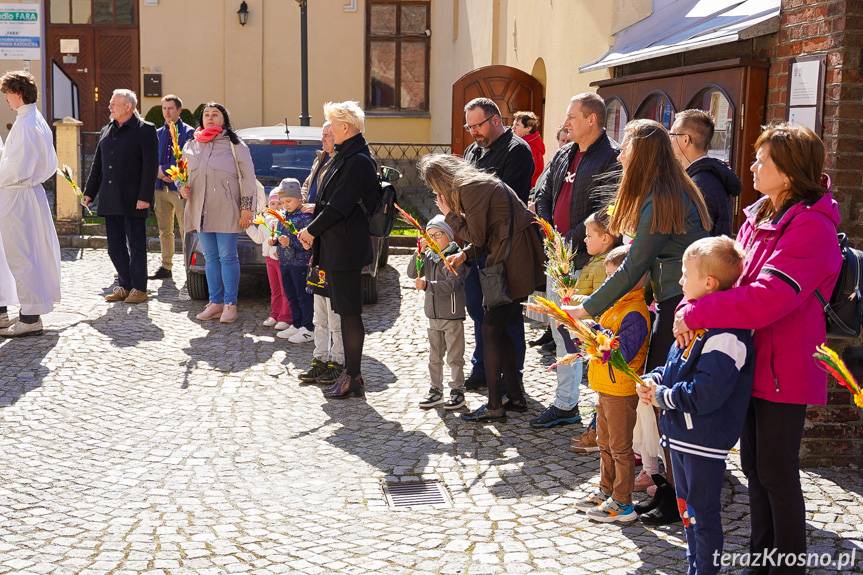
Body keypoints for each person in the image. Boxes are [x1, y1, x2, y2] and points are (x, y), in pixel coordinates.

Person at [673, 124, 842, 573]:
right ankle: (762, 559)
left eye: (762, 160)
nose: (752, 166)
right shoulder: (761, 215)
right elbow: (725, 279)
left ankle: (786, 565)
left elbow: (768, 299)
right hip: (749, 362)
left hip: (785, 367)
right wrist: (691, 303)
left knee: (776, 473)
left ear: (787, 172)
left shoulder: (811, 228)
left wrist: (696, 314)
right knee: (754, 468)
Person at [570, 119, 712, 525]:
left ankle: (674, 499)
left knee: (664, 403)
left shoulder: (661, 197)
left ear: (643, 153)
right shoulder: (668, 191)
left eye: (626, 148)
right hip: (675, 301)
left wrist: (589, 308)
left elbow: (634, 266)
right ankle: (666, 491)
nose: (619, 155)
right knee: (660, 402)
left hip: (678, 306)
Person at [638, 236, 754, 575]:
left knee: (703, 516)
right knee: (688, 512)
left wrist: (663, 396)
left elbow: (706, 393)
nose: (679, 281)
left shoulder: (726, 334)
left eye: (685, 274)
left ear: (709, 283)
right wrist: (655, 380)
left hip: (702, 440)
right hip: (681, 435)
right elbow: (675, 369)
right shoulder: (694, 324)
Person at [418, 154, 545, 422]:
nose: (436, 195)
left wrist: (449, 216)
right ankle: (516, 396)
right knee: (503, 329)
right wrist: (463, 255)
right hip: (515, 259)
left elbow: (476, 235)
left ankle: (495, 405)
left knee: (490, 330)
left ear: (441, 182)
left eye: (435, 190)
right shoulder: (475, 183)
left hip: (512, 264)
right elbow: (485, 234)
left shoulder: (469, 188)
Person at [532, 93, 621, 428]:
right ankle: (566, 403)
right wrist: (546, 228)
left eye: (572, 117)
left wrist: (567, 241)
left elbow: (605, 211)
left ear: (591, 120)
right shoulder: (566, 152)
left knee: (593, 336)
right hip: (559, 259)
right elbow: (543, 193)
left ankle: (602, 413)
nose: (565, 123)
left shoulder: (610, 158)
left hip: (586, 261)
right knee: (561, 332)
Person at [297, 101, 379, 400]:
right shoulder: (345, 156)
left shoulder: (356, 160)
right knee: (345, 312)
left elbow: (339, 206)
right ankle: (351, 375)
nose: (328, 129)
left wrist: (310, 231)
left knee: (349, 313)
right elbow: (328, 202)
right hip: (336, 245)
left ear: (346, 127)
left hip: (346, 247)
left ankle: (353, 375)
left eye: (331, 123)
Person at [571, 244, 650, 523]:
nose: (607, 285)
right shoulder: (615, 307)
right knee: (605, 442)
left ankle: (623, 501)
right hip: (605, 386)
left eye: (613, 279)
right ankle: (606, 490)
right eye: (607, 279)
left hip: (620, 390)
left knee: (619, 447)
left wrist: (594, 332)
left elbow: (622, 354)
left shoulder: (635, 312)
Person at [462, 97, 534, 393]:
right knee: (479, 313)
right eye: (469, 126)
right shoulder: (472, 150)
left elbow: (504, 204)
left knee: (506, 316)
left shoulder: (517, 151)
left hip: (503, 248)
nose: (473, 132)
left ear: (494, 120)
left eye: (476, 125)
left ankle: (511, 376)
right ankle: (483, 367)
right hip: (474, 246)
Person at [534, 208, 619, 431]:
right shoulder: (595, 261)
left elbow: (599, 299)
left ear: (605, 238)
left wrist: (572, 303)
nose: (584, 239)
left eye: (589, 235)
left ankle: (600, 421)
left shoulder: (603, 266)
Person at [180, 102, 257, 324]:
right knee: (210, 258)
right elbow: (182, 173)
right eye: (206, 114)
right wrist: (181, 186)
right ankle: (215, 303)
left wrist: (246, 208)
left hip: (227, 210)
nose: (210, 118)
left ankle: (230, 304)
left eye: (215, 114)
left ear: (224, 119)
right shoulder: (192, 144)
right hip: (200, 210)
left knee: (227, 257)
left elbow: (248, 179)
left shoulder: (235, 145)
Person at [0, 71, 61, 337]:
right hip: (24, 194)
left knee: (21, 253)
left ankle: (30, 316)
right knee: (26, 251)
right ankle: (28, 310)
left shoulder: (26, 125)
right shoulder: (32, 118)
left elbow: (16, 168)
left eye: (7, 94)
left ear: (17, 93)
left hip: (17, 194)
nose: (5, 99)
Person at [83, 89, 158, 305]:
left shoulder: (145, 130)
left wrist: (145, 196)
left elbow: (150, 166)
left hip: (135, 198)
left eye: (114, 103)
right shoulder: (106, 130)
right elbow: (98, 165)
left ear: (128, 107)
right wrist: (89, 192)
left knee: (136, 245)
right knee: (114, 247)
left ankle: (140, 288)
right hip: (111, 197)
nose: (109, 106)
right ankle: (125, 285)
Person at [407, 215, 467, 411]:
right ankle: (435, 390)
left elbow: (452, 285)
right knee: (434, 357)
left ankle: (458, 391)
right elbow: (410, 273)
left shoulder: (454, 256)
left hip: (451, 316)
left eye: (437, 234)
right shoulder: (430, 256)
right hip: (433, 316)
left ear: (448, 235)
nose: (433, 239)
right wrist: (419, 251)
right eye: (429, 235)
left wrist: (427, 286)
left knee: (455, 357)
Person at [669, 110, 741, 237]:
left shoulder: (701, 183)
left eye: (672, 134)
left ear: (685, 140)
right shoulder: (703, 176)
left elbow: (696, 236)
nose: (669, 140)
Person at [150, 94, 194, 280]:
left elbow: (189, 159)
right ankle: (166, 266)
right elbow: (151, 158)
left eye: (170, 108)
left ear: (179, 110)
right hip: (160, 188)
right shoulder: (158, 133)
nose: (167, 112)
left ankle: (188, 268)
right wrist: (157, 172)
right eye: (164, 108)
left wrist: (167, 170)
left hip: (180, 191)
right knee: (164, 230)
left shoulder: (189, 133)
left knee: (186, 230)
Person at [273, 179, 314, 344]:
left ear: (300, 198)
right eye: (282, 202)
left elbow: (308, 243)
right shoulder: (282, 215)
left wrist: (290, 242)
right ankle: (296, 323)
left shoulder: (305, 217)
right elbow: (279, 233)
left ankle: (308, 327)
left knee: (303, 296)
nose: (285, 205)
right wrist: (275, 241)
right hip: (285, 262)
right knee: (291, 295)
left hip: (300, 264)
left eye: (288, 201)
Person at [246, 189, 292, 330]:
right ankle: (275, 314)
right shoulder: (264, 219)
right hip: (269, 259)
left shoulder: (285, 221)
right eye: (273, 203)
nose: (276, 206)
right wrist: (248, 226)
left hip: (281, 259)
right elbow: (259, 239)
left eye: (279, 203)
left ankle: (285, 317)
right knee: (275, 289)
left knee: (285, 289)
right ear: (268, 205)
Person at [301, 122, 334, 211]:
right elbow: (307, 183)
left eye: (326, 135)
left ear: (337, 137)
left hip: (323, 217)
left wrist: (317, 208)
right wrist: (301, 199)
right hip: (308, 216)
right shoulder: (320, 157)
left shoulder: (339, 161)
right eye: (322, 135)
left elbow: (338, 199)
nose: (322, 139)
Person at [512, 110, 545, 187]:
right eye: (513, 124)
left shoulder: (530, 148)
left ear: (528, 128)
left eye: (517, 125)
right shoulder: (522, 144)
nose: (513, 127)